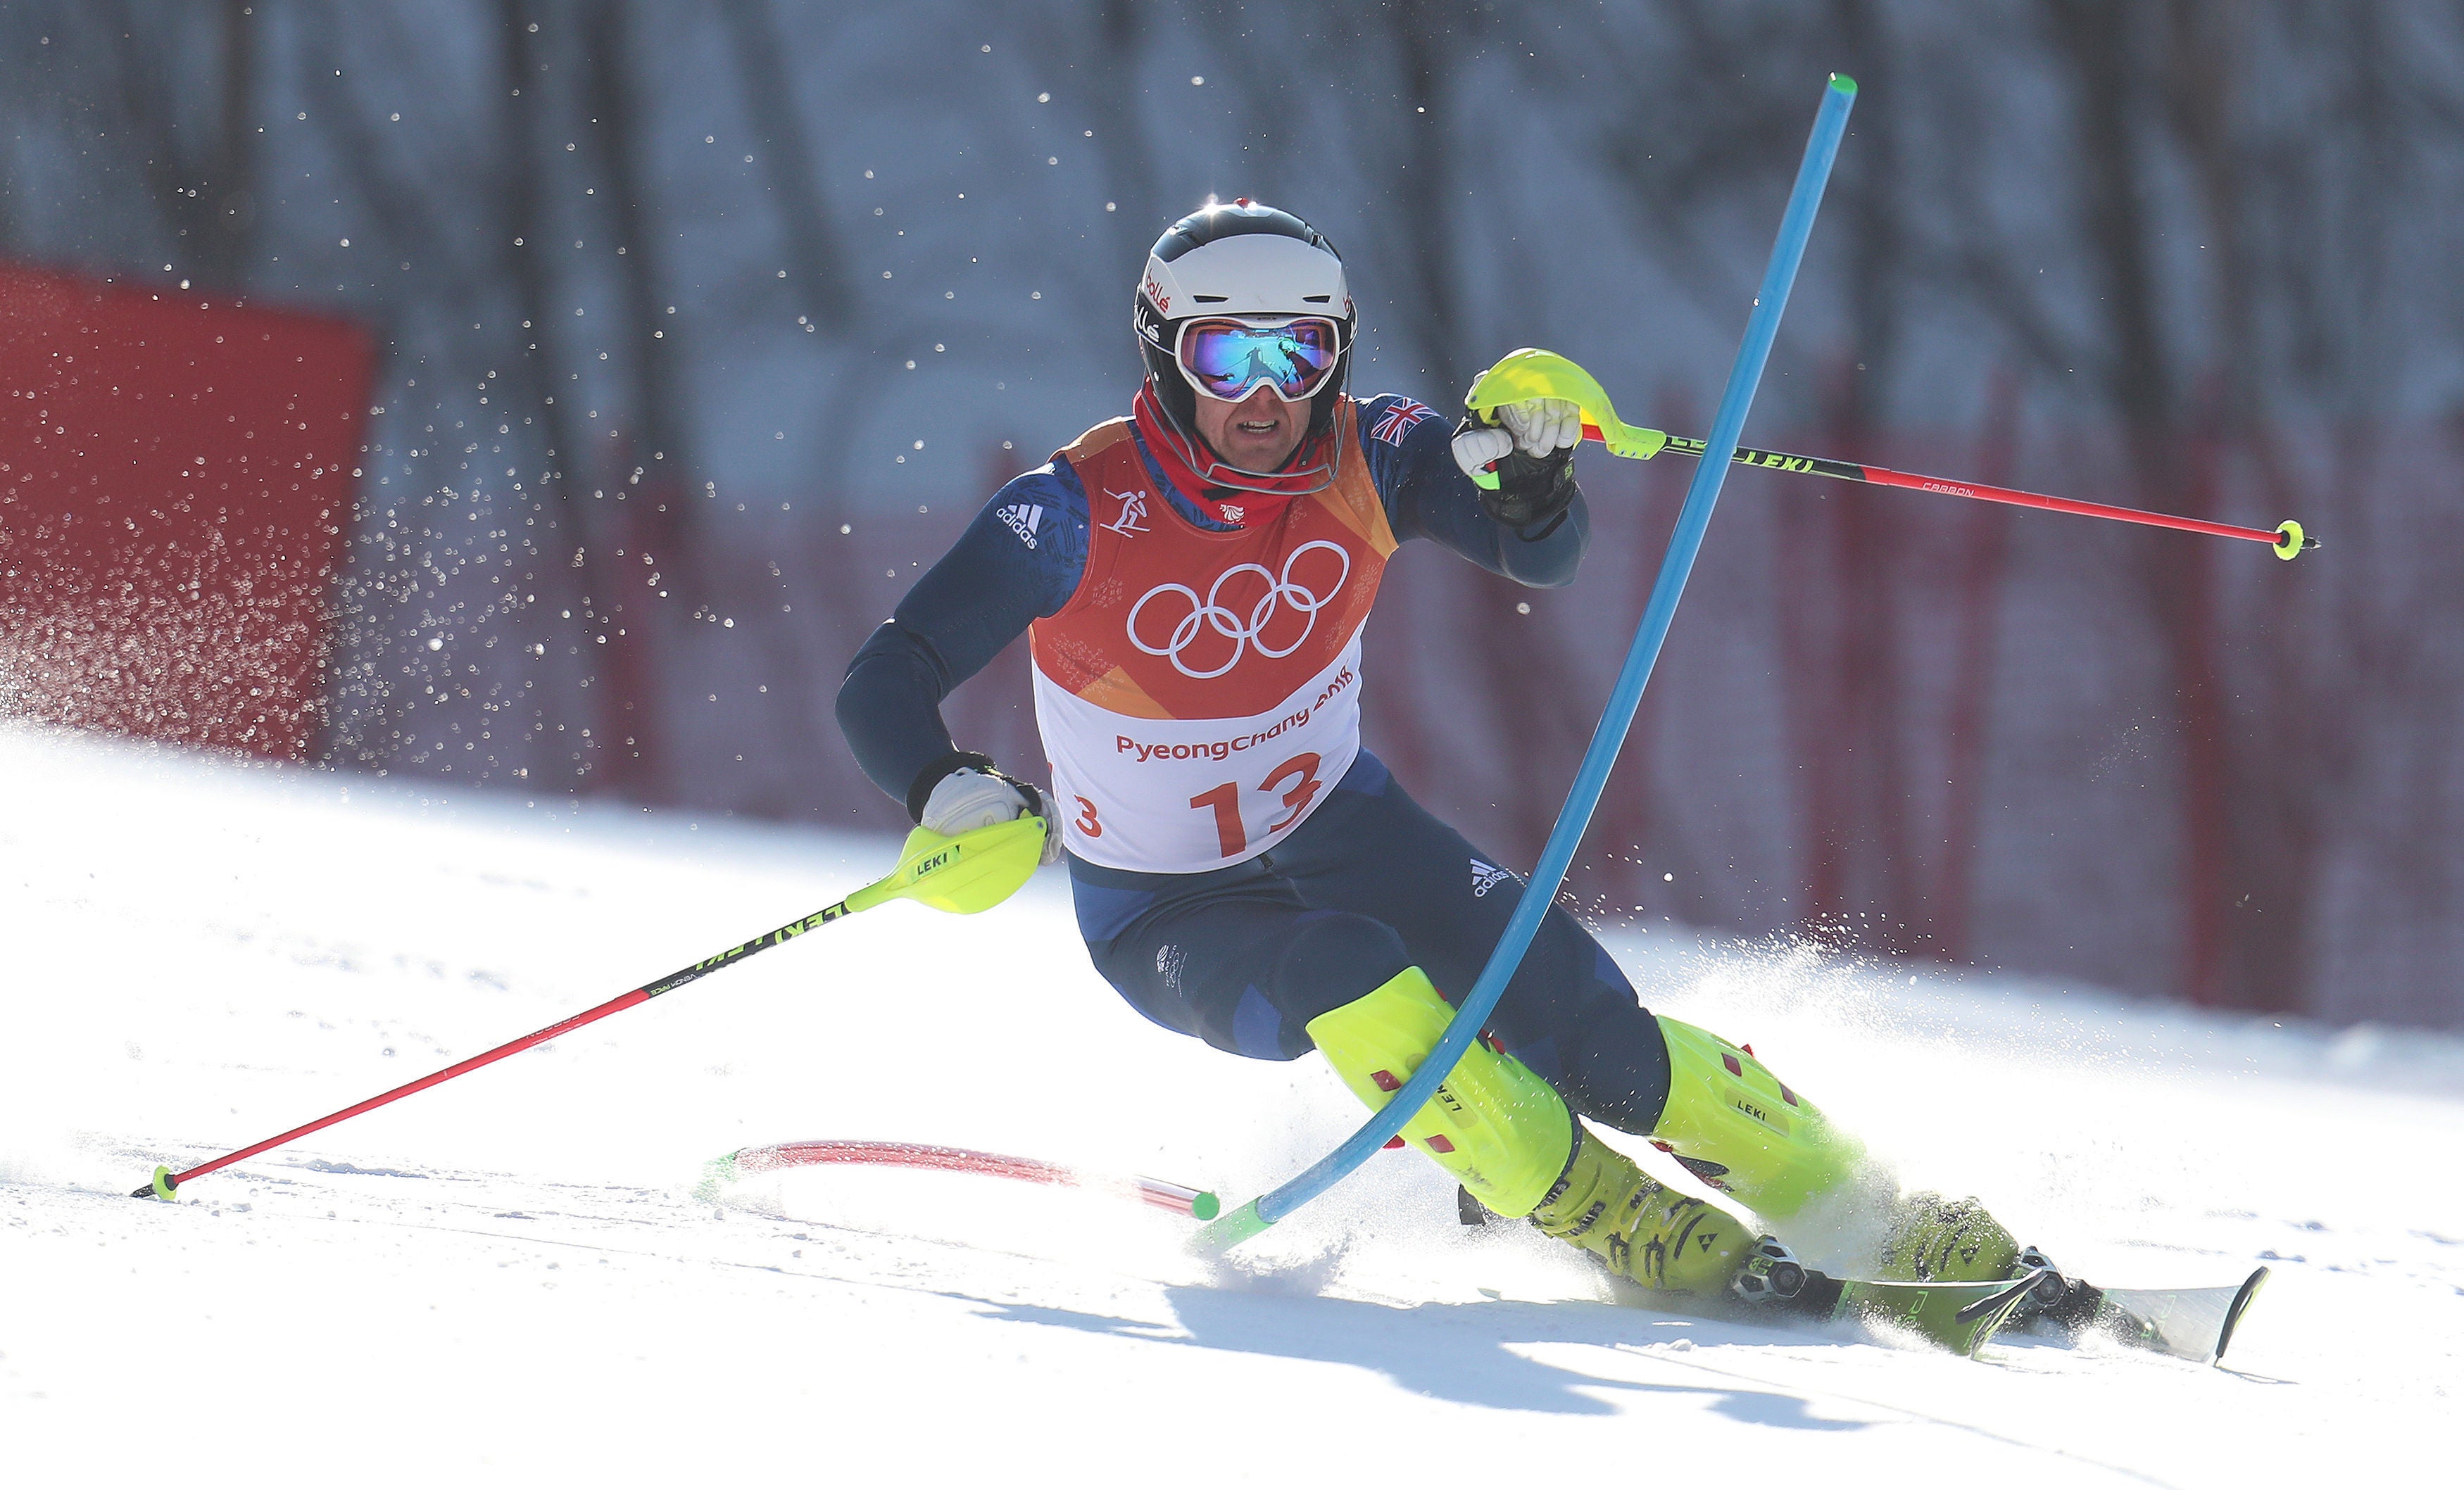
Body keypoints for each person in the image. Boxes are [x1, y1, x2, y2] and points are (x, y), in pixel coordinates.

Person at [836, 198, 2029, 1299]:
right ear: (1163, 354)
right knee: (1339, 962)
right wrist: (940, 780)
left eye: (1298, 353)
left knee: (1598, 1041)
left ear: (1337, 354)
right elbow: (884, 678)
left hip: (1352, 833)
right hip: (1166, 913)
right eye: (1225, 356)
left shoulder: (1379, 450)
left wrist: (1530, 485)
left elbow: (1538, 555)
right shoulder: (1073, 511)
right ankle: (1602, 1210)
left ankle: (1870, 1209)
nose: (1266, 395)